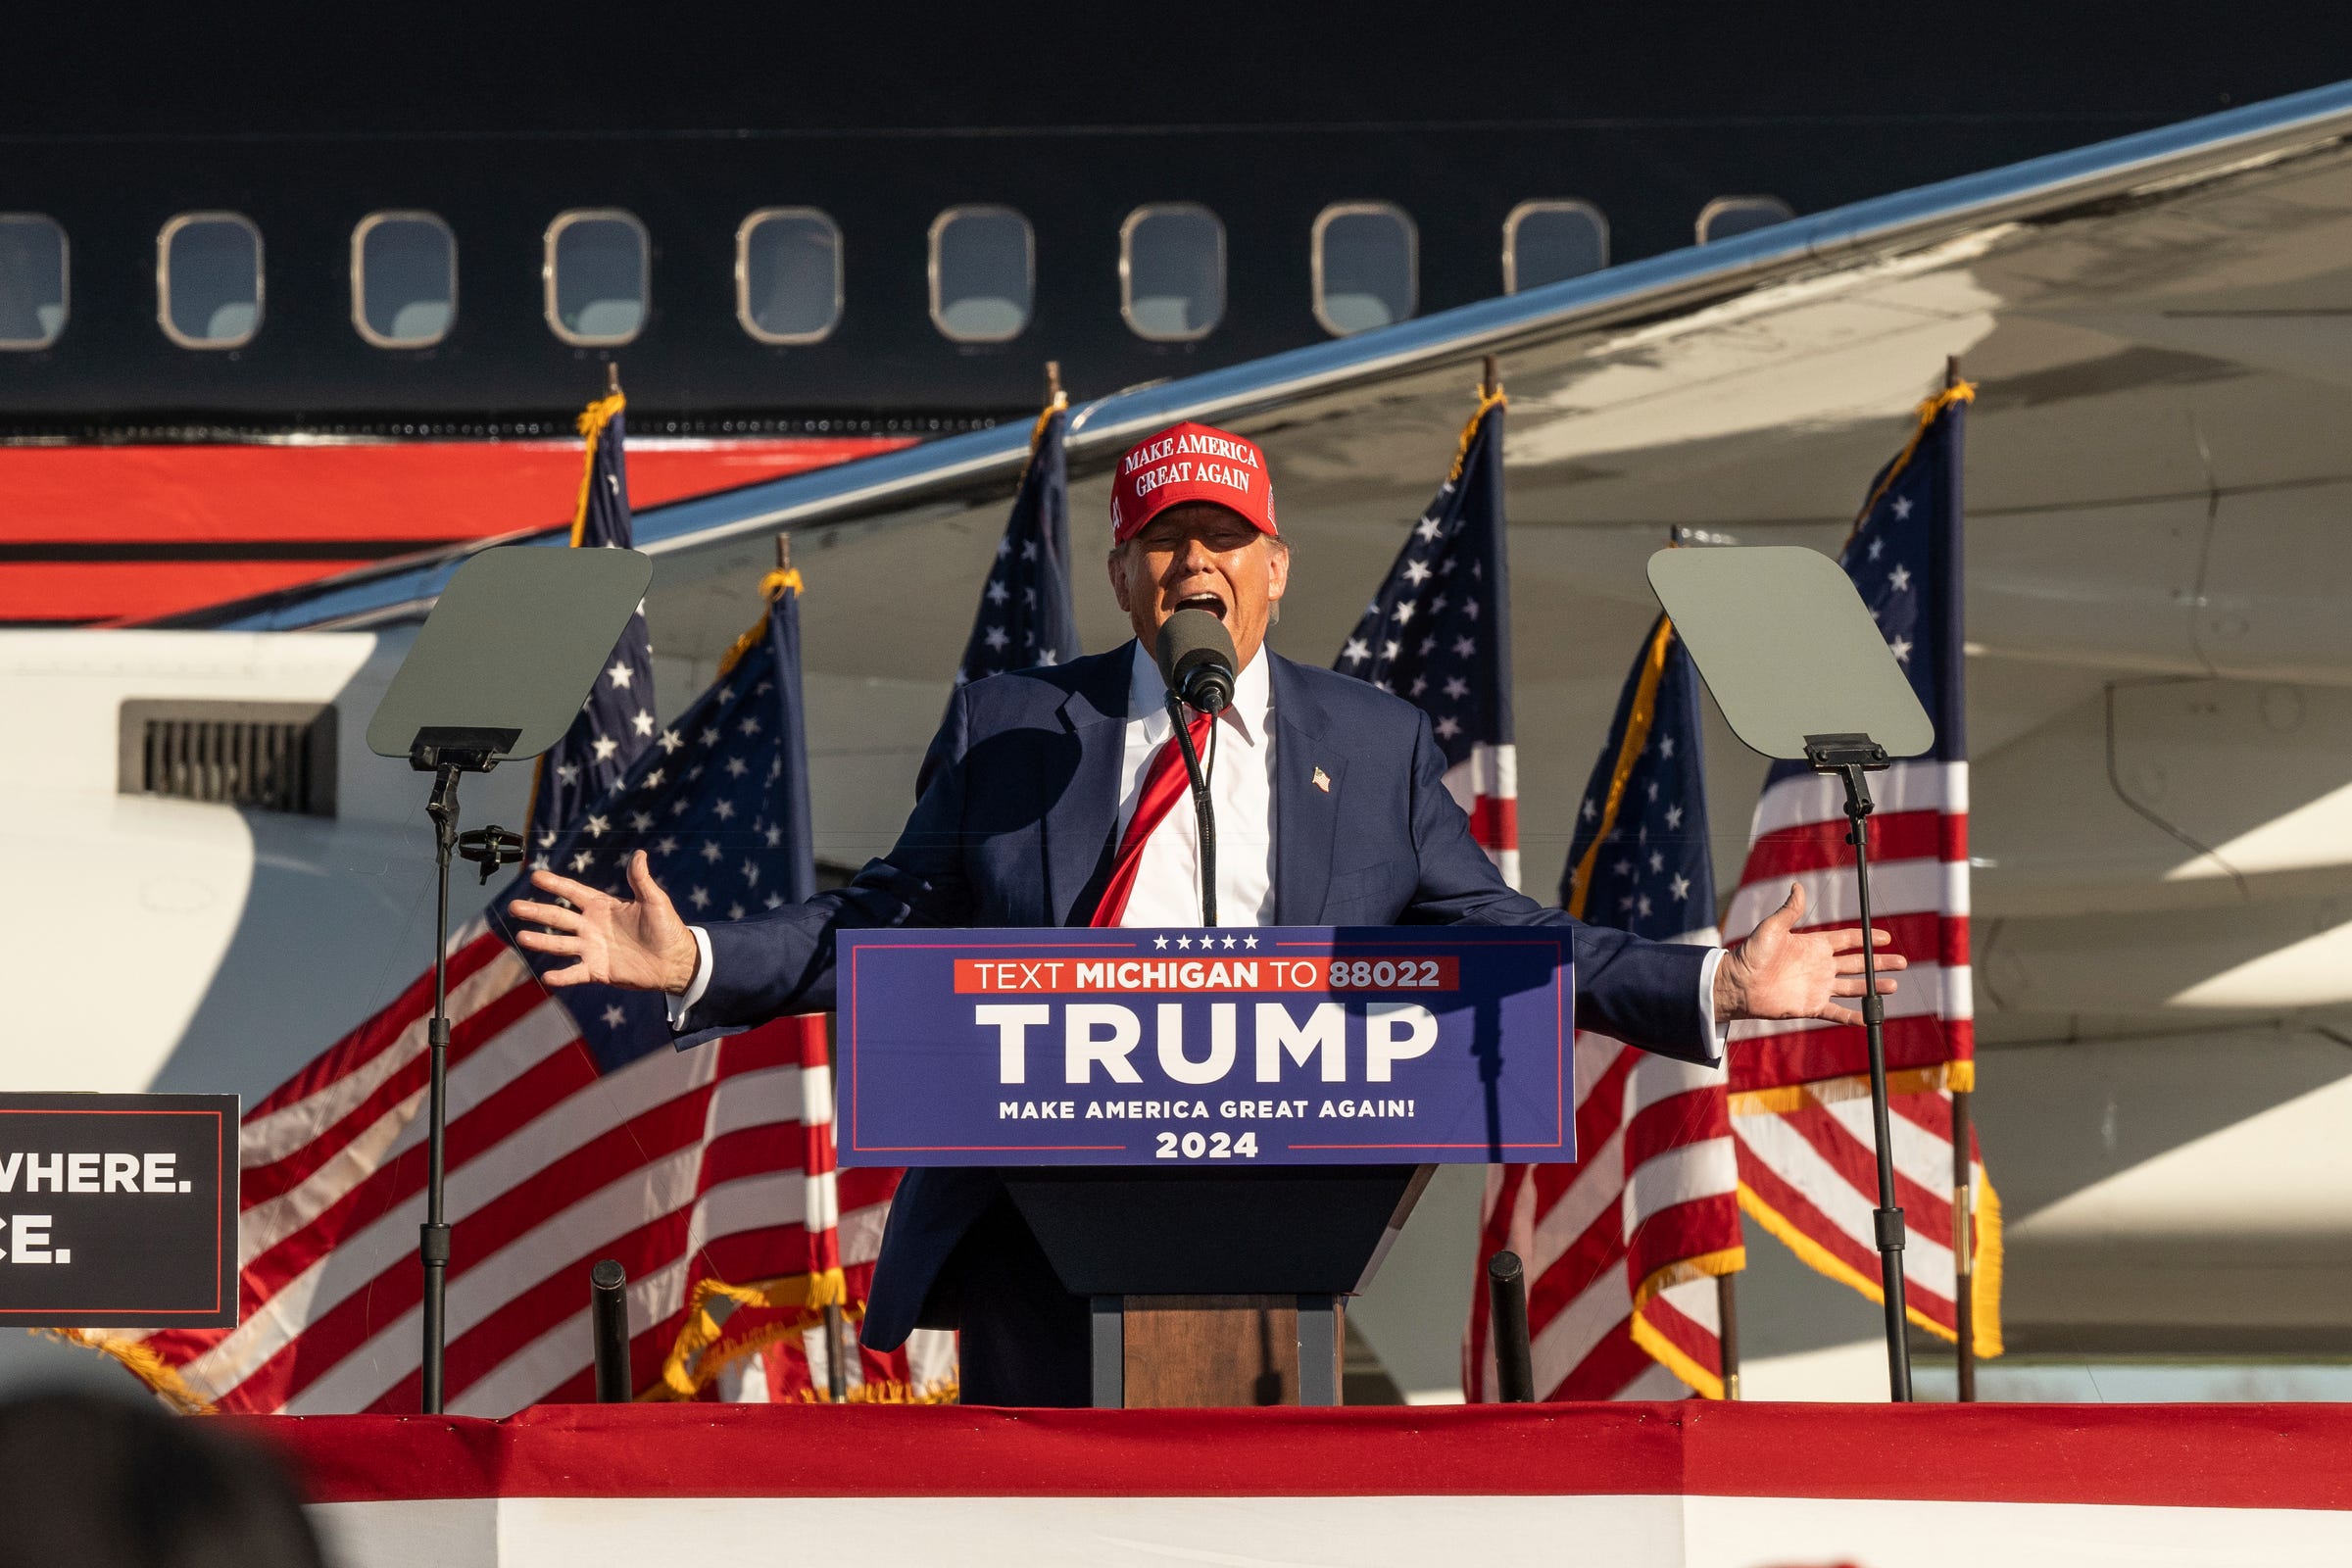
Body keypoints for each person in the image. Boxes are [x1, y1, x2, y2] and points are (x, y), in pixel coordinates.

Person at [509, 418, 1902, 1405]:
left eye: (1223, 541)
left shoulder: (1369, 747)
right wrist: (693, 957)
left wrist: (1709, 983)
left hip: (1276, 1224)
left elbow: (1501, 932)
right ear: (1122, 576)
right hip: (1034, 1235)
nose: (1194, 567)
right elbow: (878, 926)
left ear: (1276, 571)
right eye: (1164, 542)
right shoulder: (1015, 727)